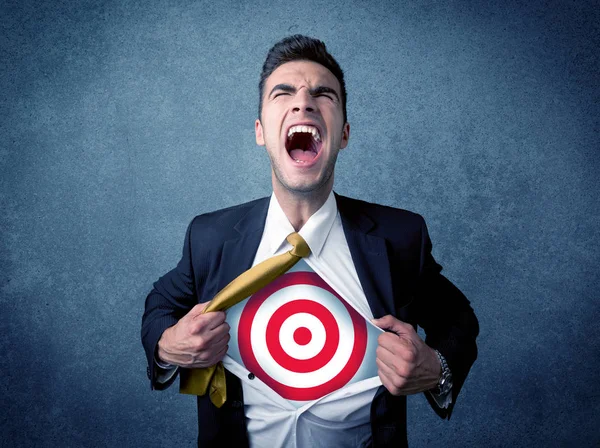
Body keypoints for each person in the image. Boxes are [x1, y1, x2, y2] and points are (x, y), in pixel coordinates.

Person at [141, 34, 479, 447]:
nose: (303, 102)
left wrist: (436, 367)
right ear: (261, 132)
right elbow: (161, 304)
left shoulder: (399, 238)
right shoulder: (210, 237)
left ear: (344, 134)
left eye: (324, 94)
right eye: (283, 93)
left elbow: (458, 318)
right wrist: (166, 346)